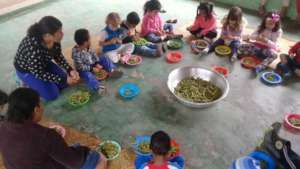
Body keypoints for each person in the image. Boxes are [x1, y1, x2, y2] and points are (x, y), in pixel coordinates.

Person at [0, 88, 107, 169]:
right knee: (97, 158)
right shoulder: (45, 135)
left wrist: (53, 138)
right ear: (36, 110)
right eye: (40, 103)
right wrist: (85, 150)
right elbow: (74, 162)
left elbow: (26, 139)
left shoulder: (3, 126)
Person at [14, 16, 80, 101]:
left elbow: (58, 56)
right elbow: (39, 73)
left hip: (44, 62)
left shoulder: (54, 41)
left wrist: (70, 70)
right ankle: (24, 81)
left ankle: (44, 84)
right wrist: (63, 79)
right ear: (47, 35)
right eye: (59, 32)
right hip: (28, 71)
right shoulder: (33, 48)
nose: (62, 34)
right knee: (53, 95)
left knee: (64, 83)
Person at [72, 29, 123, 94]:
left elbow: (94, 54)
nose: (90, 39)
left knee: (104, 57)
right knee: (88, 76)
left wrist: (96, 63)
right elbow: (80, 67)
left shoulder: (87, 46)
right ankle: (97, 87)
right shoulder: (76, 52)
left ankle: (112, 70)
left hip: (92, 63)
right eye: (89, 38)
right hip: (83, 69)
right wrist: (92, 68)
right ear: (85, 42)